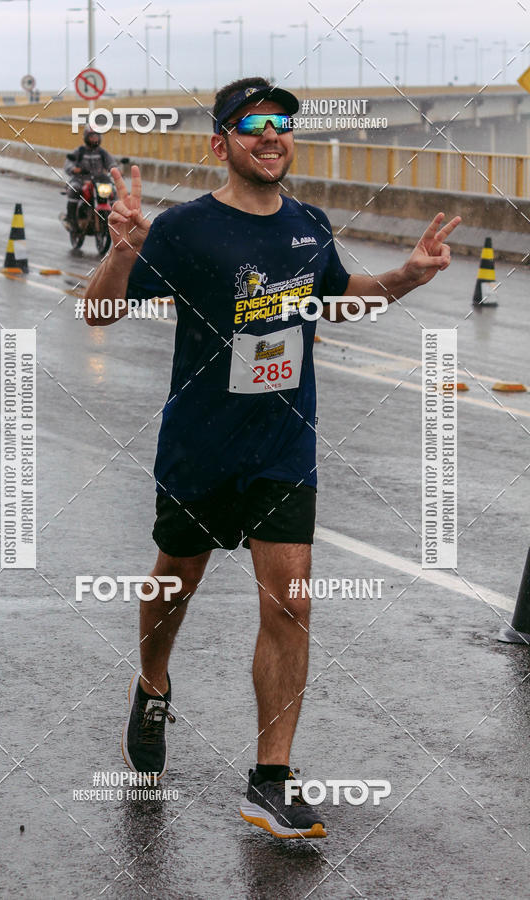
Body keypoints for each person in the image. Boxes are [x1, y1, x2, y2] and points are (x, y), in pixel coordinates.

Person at [84, 76, 461, 839]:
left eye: (284, 124)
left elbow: (339, 295)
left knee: (291, 603)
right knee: (173, 586)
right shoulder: (186, 228)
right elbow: (98, 310)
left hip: (284, 447)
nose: (273, 135)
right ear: (220, 143)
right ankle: (153, 682)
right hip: (199, 446)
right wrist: (124, 250)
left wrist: (404, 279)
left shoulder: (308, 225)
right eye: (254, 124)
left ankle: (272, 778)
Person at [63, 126, 116, 228]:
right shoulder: (79, 151)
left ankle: (115, 219)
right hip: (81, 180)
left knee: (113, 191)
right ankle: (71, 220)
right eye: (92, 136)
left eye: (96, 136)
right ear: (86, 137)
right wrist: (74, 169)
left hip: (98, 181)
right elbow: (68, 164)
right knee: (74, 189)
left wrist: (116, 170)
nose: (94, 139)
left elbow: (111, 163)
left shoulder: (102, 152)